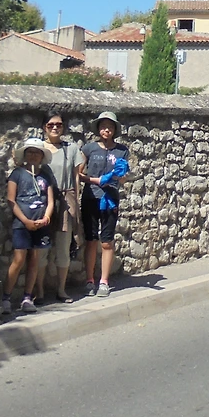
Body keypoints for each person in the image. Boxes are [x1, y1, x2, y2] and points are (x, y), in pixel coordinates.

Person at [77, 110, 131, 298]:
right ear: (98, 128)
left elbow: (123, 178)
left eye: (110, 126)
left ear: (114, 129)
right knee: (91, 240)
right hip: (91, 198)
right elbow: (79, 173)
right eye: (103, 125)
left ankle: (104, 282)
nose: (106, 129)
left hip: (110, 200)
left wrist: (121, 178)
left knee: (106, 241)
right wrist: (95, 180)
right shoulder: (88, 149)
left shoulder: (122, 150)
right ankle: (90, 280)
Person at [36, 109, 83, 303]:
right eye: (51, 125)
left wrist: (76, 202)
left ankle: (61, 290)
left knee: (63, 248)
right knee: (41, 250)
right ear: (44, 127)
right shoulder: (38, 148)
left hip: (64, 202)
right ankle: (38, 291)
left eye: (59, 125)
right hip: (43, 202)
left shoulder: (71, 149)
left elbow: (76, 176)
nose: (55, 128)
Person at [4, 137, 55, 314]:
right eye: (30, 152)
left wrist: (46, 218)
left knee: (34, 260)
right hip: (22, 223)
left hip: (40, 223)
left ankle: (27, 297)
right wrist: (25, 221)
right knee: (19, 260)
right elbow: (11, 200)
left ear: (42, 156)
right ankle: (6, 297)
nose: (33, 155)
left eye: (37, 152)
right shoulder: (17, 174)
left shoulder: (45, 176)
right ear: (25, 155)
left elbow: (50, 201)